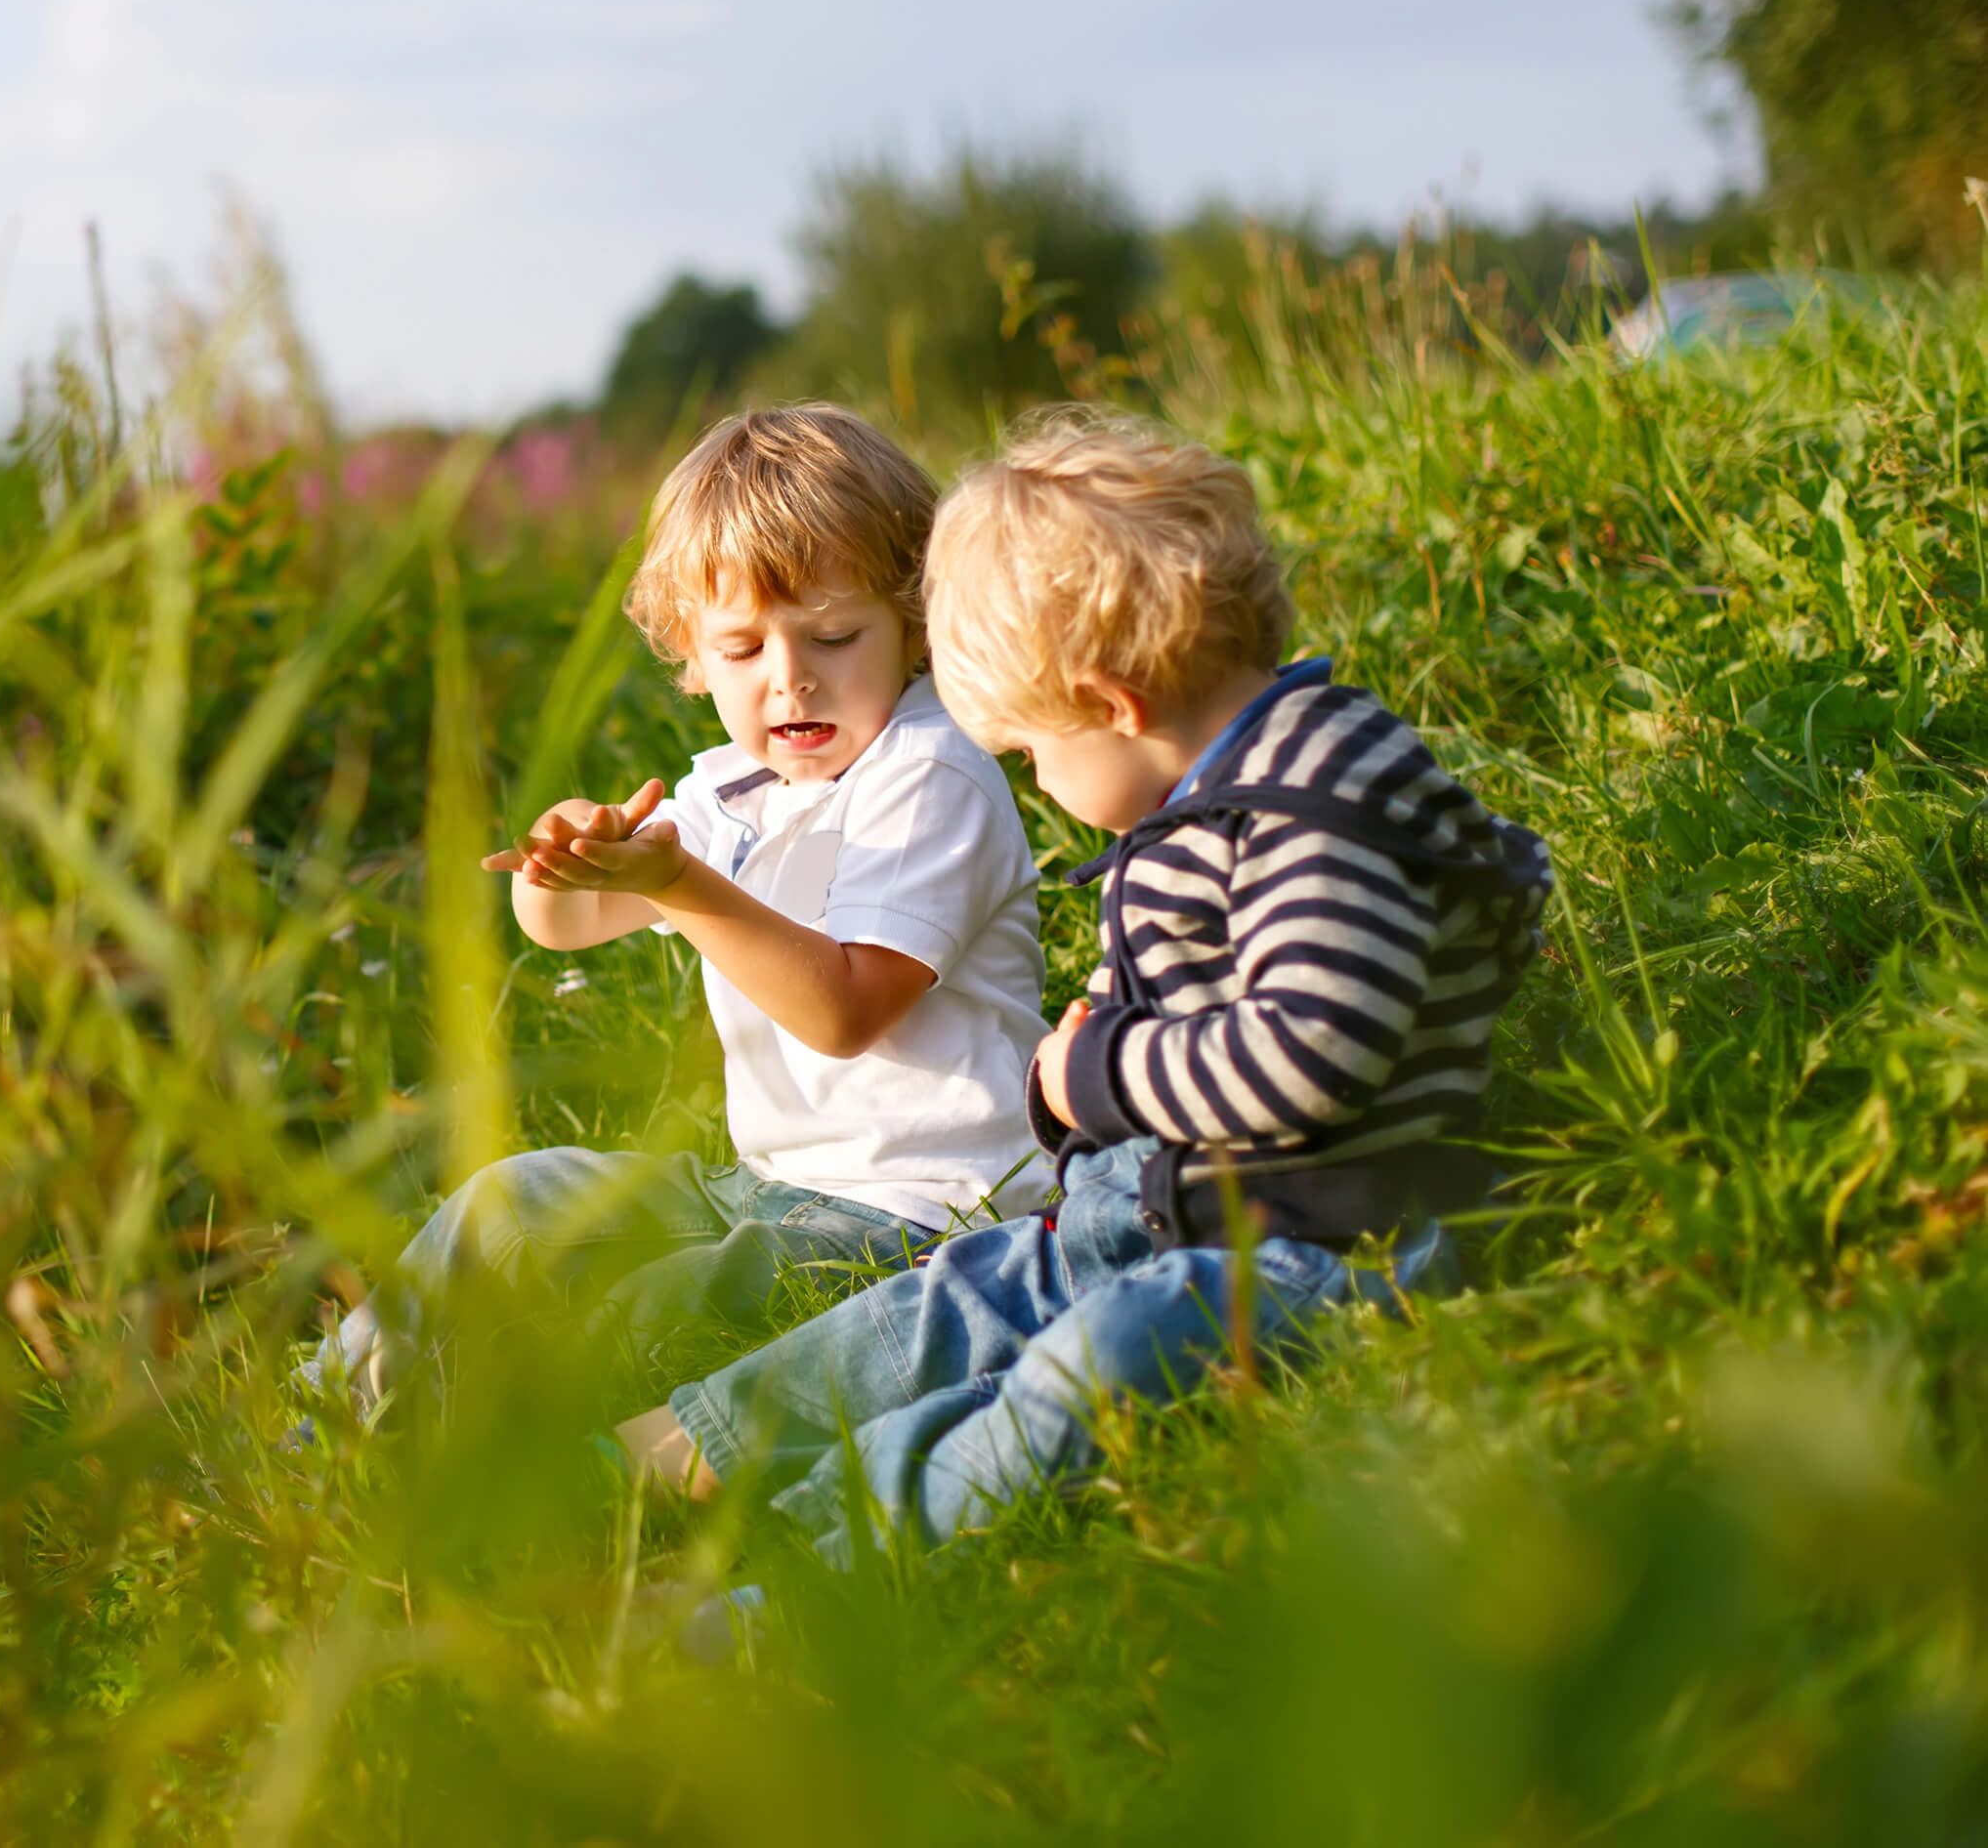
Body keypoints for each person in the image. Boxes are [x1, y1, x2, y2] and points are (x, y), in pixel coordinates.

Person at [610, 408, 1553, 1563]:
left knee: (1080, 1370)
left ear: (1113, 705)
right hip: (1152, 1200)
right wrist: (1092, 1070)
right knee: (946, 1300)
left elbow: (1311, 1049)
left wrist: (1099, 1070)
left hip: (1318, 1241)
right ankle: (684, 1452)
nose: (1037, 783)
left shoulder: (1316, 805)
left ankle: (813, 1564)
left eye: (1034, 754)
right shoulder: (1209, 799)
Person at [308, 404, 1047, 1407]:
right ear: (690, 657)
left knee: (651, 1309)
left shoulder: (928, 773)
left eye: (832, 633)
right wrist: (569, 866)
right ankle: (322, 1420)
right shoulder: (735, 785)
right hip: (772, 1189)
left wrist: (674, 885)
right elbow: (564, 927)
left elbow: (845, 1009)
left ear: (913, 622)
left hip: (931, 1215)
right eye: (741, 649)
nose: (790, 679)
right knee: (508, 1204)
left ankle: (499, 1457)